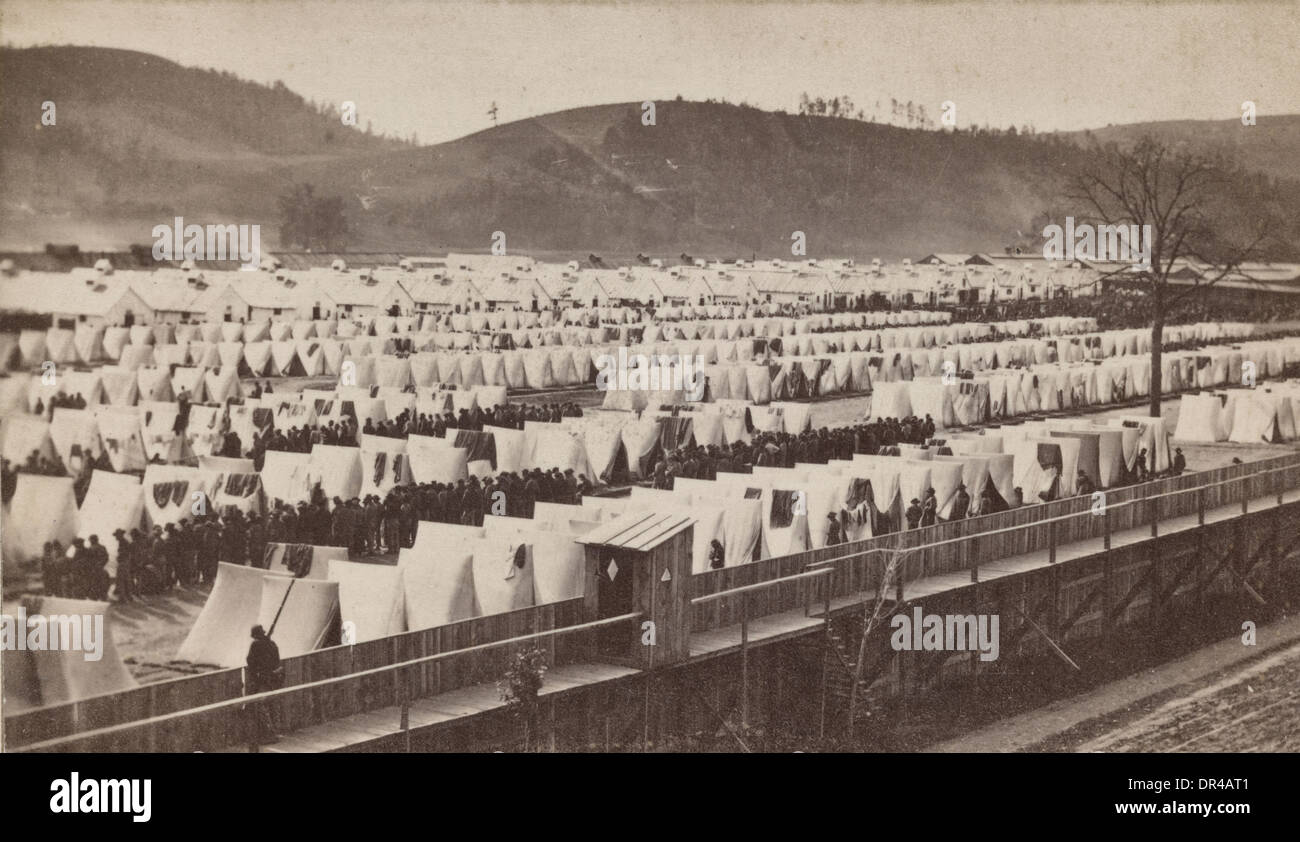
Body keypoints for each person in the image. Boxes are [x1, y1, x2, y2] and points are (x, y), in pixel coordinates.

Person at [245, 625, 282, 745]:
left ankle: (269, 734)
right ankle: (273, 733)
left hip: (263, 680)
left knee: (261, 706)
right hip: (274, 679)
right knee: (271, 706)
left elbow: (250, 661)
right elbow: (277, 660)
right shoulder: (272, 644)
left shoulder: (255, 645)